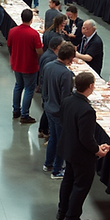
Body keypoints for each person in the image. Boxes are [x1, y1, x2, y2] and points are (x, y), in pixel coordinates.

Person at [56, 72, 110, 220]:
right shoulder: (87, 110)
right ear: (91, 86)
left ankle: (62, 210)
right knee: (81, 186)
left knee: (68, 180)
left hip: (68, 148)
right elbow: (86, 138)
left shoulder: (67, 100)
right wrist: (98, 150)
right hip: (81, 155)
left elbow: (63, 122)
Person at [41, 42, 77, 179]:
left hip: (49, 108)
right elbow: (65, 97)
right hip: (59, 113)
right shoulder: (66, 74)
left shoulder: (48, 66)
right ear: (70, 58)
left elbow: (43, 86)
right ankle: (56, 170)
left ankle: (48, 164)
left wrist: (46, 102)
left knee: (53, 138)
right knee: (61, 141)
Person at [9, 8, 44, 124]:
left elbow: (9, 45)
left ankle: (16, 110)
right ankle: (24, 115)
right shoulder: (34, 34)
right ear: (31, 19)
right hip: (29, 66)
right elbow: (39, 51)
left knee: (18, 86)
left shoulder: (13, 31)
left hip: (16, 64)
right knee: (29, 89)